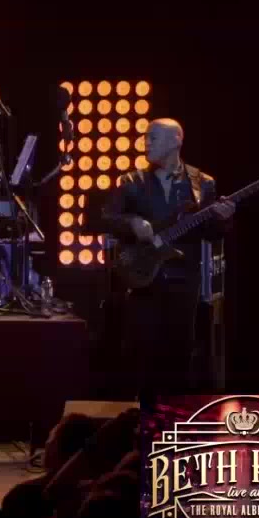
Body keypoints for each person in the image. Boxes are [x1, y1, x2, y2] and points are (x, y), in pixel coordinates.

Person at [100, 118, 234, 393]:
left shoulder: (203, 183)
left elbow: (211, 233)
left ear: (176, 140)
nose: (146, 142)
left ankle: (171, 415)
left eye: (153, 137)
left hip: (184, 280)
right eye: (145, 137)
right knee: (140, 357)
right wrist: (132, 223)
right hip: (143, 278)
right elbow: (106, 218)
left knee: (178, 358)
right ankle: (140, 414)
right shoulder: (131, 181)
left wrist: (223, 219)